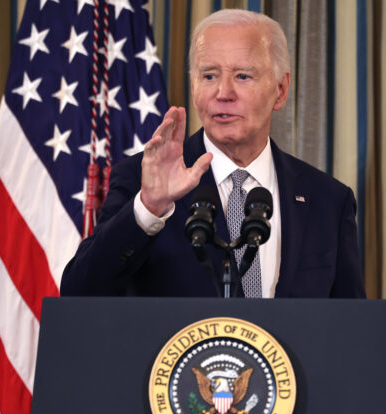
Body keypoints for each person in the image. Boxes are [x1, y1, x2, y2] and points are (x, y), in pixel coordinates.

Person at [60, 9, 365, 299]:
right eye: (209, 76)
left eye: (243, 76)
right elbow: (78, 293)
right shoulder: (142, 181)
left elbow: (350, 328)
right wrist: (149, 208)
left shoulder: (328, 201)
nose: (223, 92)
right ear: (193, 87)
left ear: (280, 90)